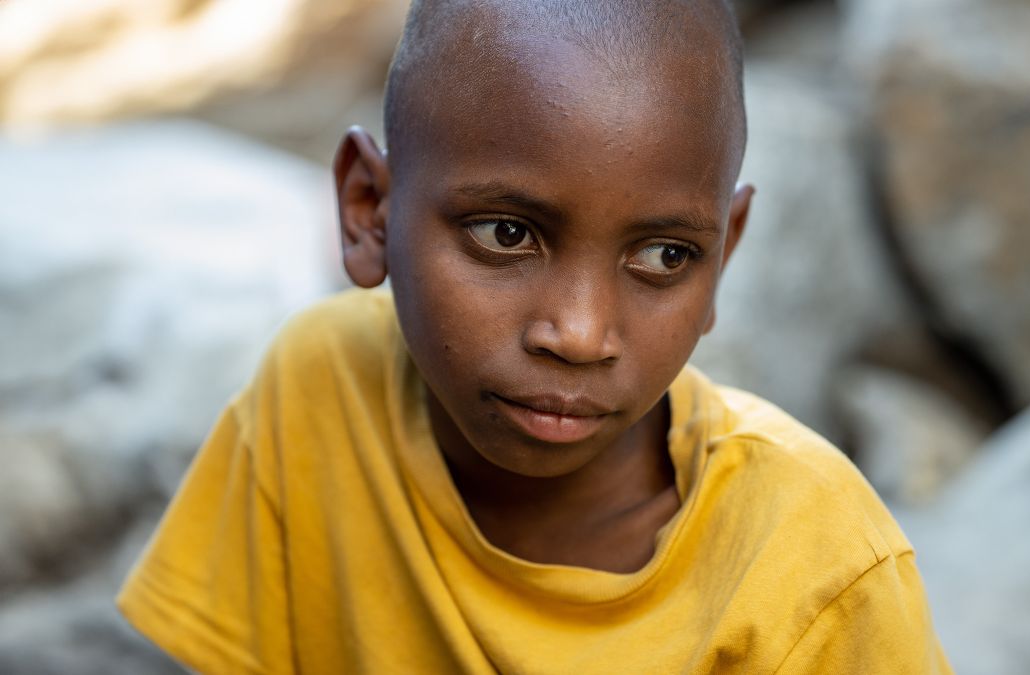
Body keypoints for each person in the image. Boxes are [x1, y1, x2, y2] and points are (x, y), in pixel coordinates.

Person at [117, 0, 951, 672]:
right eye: (506, 235)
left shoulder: (812, 568)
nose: (580, 333)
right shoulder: (321, 392)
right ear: (369, 209)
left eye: (665, 255)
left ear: (722, 258)